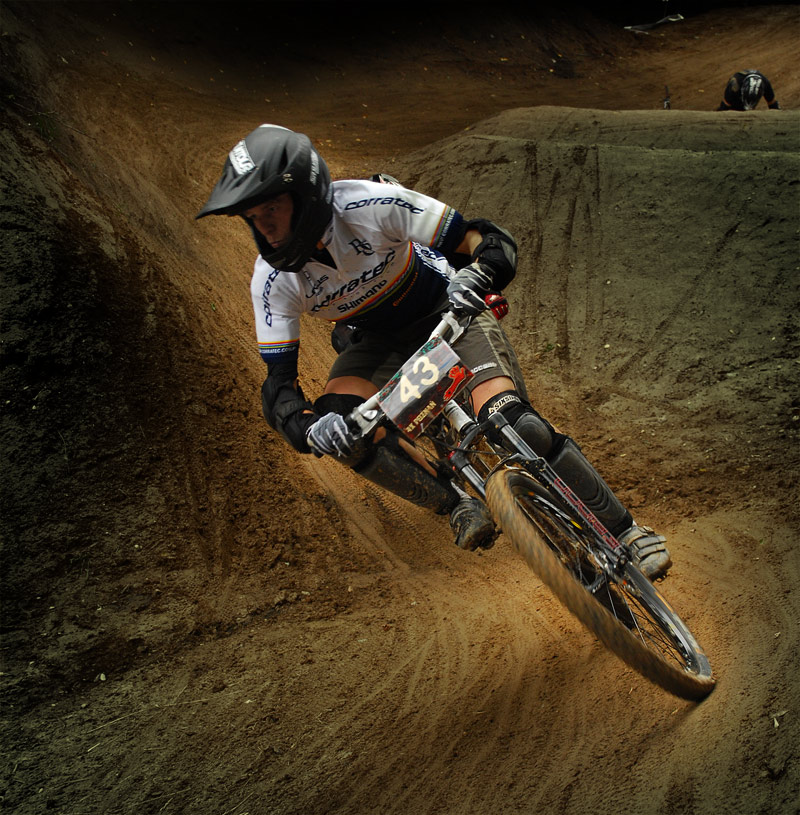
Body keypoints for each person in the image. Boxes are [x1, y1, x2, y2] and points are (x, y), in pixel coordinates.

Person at [196, 124, 672, 579]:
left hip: (445, 312)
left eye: (272, 209)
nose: (265, 228)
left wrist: (477, 274)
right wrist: (310, 427)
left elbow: (484, 239)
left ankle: (625, 531)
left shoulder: (371, 204)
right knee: (346, 433)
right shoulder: (272, 281)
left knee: (513, 423)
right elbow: (278, 387)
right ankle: (456, 502)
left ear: (306, 196)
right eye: (253, 218)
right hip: (376, 343)